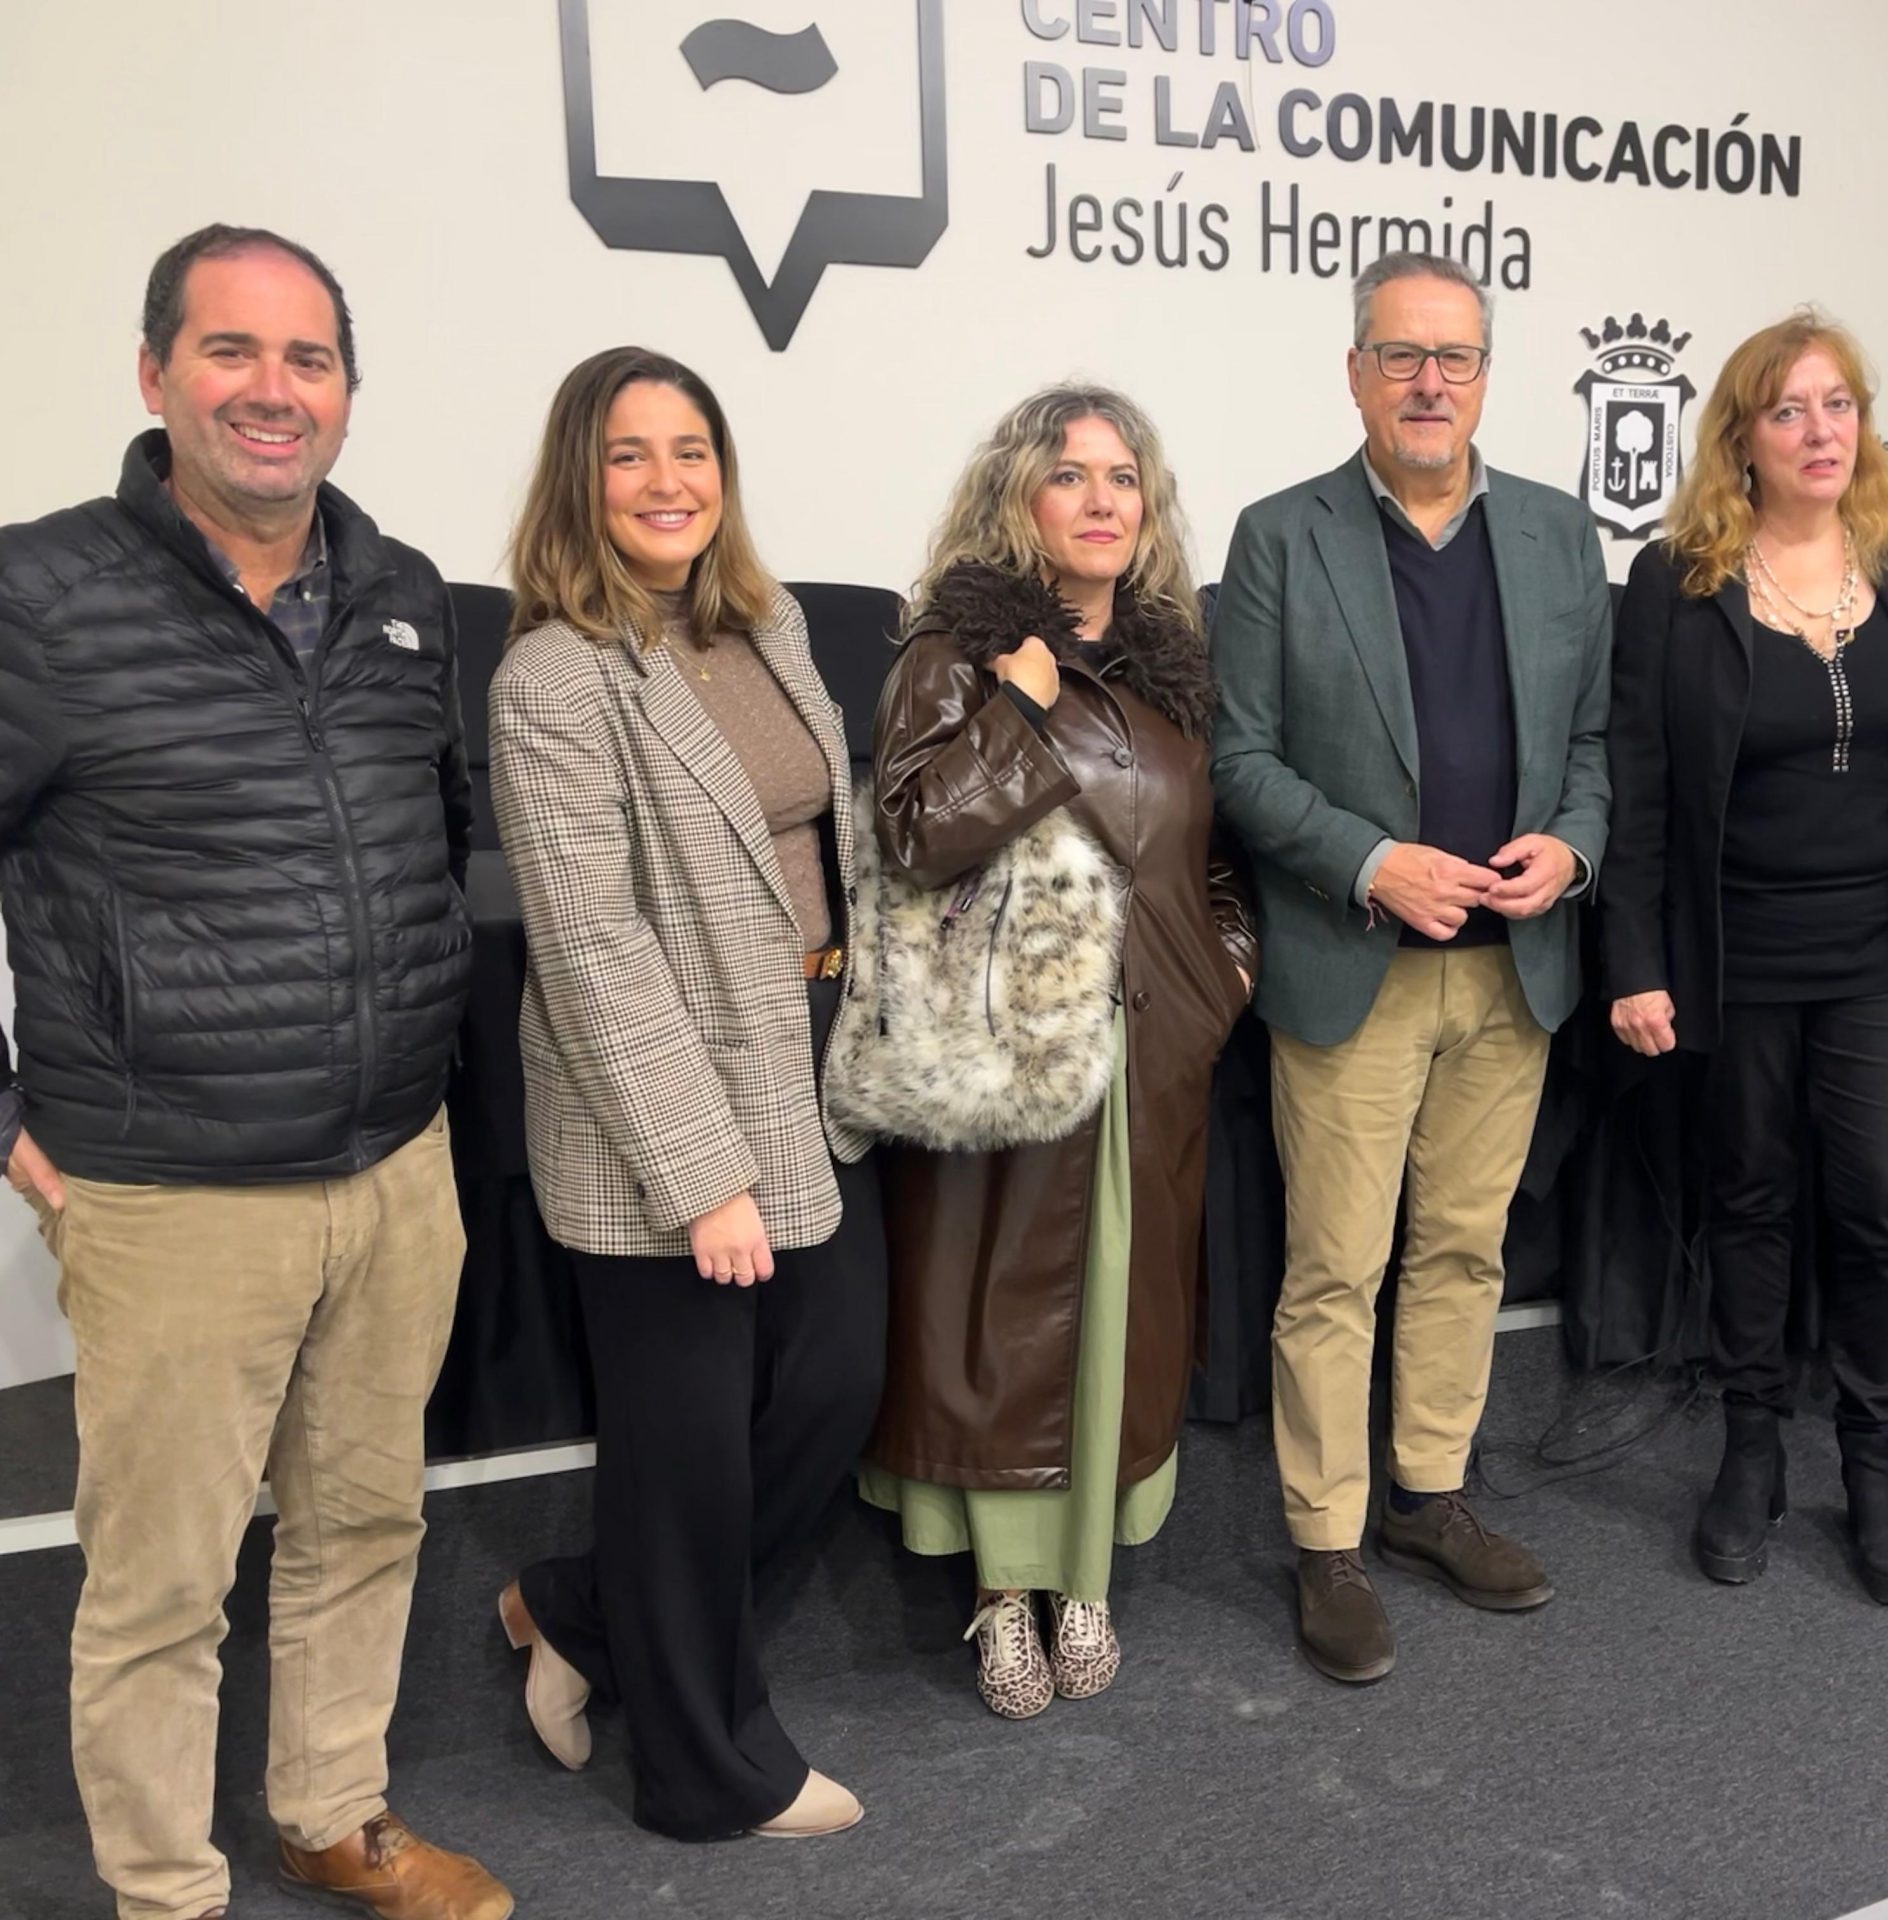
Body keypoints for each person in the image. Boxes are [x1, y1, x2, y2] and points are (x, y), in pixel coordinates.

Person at [0, 225, 508, 1920]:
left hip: (392, 1167)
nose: (272, 390)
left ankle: (331, 1813)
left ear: (347, 393)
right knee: (160, 1586)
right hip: (171, 1191)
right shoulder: (39, 597)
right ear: (156, 375)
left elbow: (437, 837)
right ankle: (165, 1891)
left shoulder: (402, 592)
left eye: (308, 359)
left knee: (364, 1524)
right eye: (232, 350)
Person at [486, 347, 884, 1838]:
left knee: (832, 1388)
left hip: (809, 1058)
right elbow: (592, 947)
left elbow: (827, 842)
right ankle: (708, 1770)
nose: (669, 482)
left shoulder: (767, 627)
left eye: (692, 450)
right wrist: (702, 1176)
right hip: (657, 1094)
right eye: (630, 455)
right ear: (579, 483)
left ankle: (582, 1613)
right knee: (687, 1453)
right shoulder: (552, 679)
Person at [1211, 251, 1611, 1684]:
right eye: (1401, 356)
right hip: (1354, 960)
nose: (1429, 382)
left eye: (1454, 357)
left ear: (1487, 377)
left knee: (1464, 1250)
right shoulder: (1281, 536)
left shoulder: (1560, 535)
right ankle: (1326, 1542)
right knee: (1335, 1269)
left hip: (1515, 968)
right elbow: (1239, 760)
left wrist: (1573, 846)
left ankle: (1429, 1495)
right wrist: (1372, 860)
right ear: (1356, 374)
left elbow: (1593, 745)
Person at [858, 385, 1255, 1720]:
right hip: (1008, 1064)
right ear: (1018, 496)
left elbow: (1218, 867)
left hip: (1153, 1055)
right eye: (1070, 475)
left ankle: (1084, 1581)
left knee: (1121, 1324)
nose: (1101, 501)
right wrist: (1018, 713)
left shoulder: (1174, 672)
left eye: (1122, 478)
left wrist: (1219, 984)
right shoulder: (953, 654)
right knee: (1006, 1331)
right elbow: (916, 837)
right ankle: (1002, 1591)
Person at [1604, 311, 1888, 1607]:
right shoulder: (1677, 582)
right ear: (1742, 439)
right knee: (1752, 1202)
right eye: (1788, 410)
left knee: (1884, 1202)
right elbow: (1640, 788)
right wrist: (1634, 959)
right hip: (1736, 956)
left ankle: (1872, 1456)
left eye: (1839, 405)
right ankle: (1752, 1446)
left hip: (1882, 953)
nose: (1820, 431)